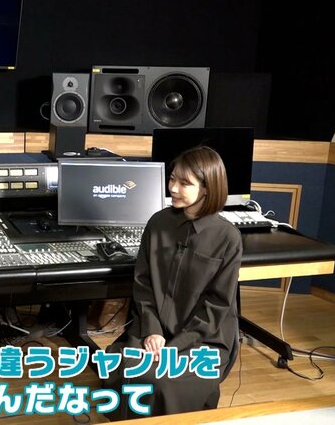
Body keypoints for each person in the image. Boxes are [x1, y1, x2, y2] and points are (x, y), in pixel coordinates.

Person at [103, 146, 242, 419]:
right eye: (172, 179)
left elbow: (216, 306)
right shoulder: (158, 223)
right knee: (122, 369)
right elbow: (143, 284)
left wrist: (173, 347)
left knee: (160, 383)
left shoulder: (228, 238)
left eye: (184, 183)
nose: (173, 188)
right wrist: (152, 331)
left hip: (203, 339)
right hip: (153, 328)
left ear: (207, 188)